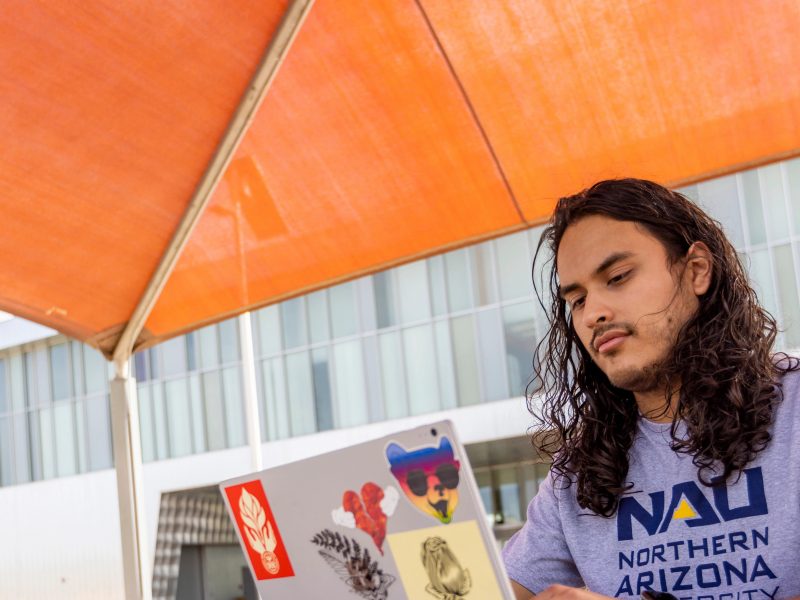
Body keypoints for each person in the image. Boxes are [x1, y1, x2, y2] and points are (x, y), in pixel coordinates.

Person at [502, 179, 800, 600]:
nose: (593, 315)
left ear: (696, 270)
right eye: (578, 300)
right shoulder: (576, 473)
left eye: (618, 277)